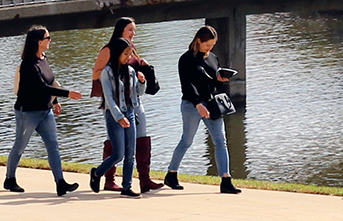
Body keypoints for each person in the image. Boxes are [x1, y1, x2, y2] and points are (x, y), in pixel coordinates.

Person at [5, 26, 83, 195]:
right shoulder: (28, 64)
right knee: (20, 145)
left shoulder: (43, 58)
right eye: (48, 38)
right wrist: (67, 94)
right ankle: (10, 179)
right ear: (39, 42)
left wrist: (55, 102)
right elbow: (42, 87)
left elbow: (51, 82)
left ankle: (60, 182)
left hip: (45, 111)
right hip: (27, 112)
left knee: (53, 146)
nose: (50, 41)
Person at [165, 24, 240, 194]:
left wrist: (220, 80)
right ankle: (171, 174)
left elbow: (212, 84)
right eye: (207, 45)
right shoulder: (186, 59)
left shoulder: (213, 58)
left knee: (221, 140)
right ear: (199, 41)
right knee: (187, 141)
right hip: (192, 105)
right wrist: (198, 104)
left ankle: (226, 179)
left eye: (212, 45)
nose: (210, 48)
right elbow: (187, 85)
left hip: (211, 104)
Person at [88, 18, 160, 191]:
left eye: (134, 30)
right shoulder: (110, 50)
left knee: (139, 141)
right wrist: (113, 75)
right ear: (120, 30)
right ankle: (108, 178)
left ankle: (142, 180)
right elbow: (96, 74)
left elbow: (137, 86)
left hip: (133, 102)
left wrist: (141, 70)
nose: (133, 33)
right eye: (130, 30)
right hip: (115, 104)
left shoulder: (131, 50)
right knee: (116, 146)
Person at [90, 37, 145, 197]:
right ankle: (97, 173)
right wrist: (119, 117)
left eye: (130, 54)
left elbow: (138, 94)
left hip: (130, 112)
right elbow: (108, 98)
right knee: (118, 154)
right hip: (114, 115)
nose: (129, 57)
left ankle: (127, 186)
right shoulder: (107, 72)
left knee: (130, 154)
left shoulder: (130, 71)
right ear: (117, 53)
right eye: (126, 54)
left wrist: (141, 82)